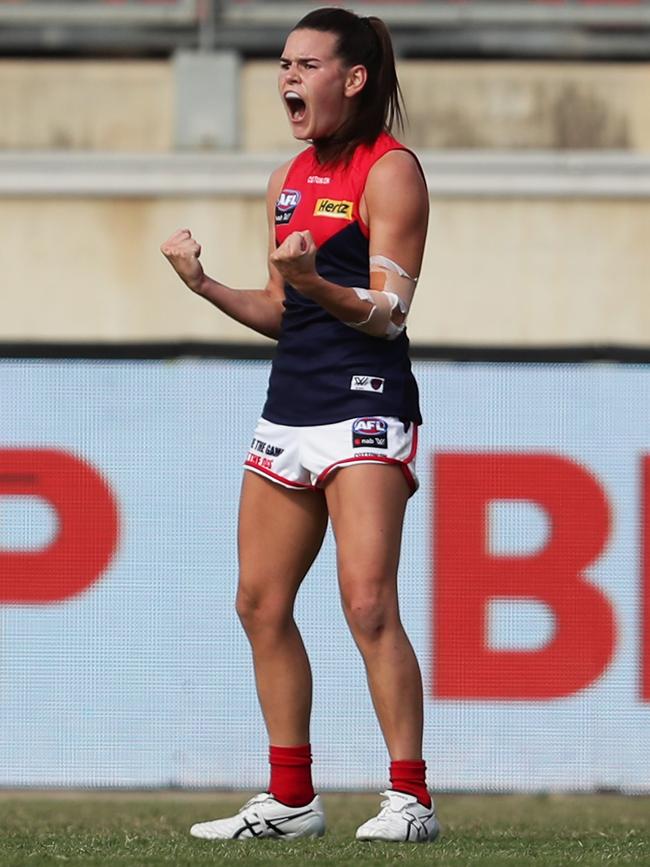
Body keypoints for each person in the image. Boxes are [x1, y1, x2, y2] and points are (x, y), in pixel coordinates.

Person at [161, 6, 438, 844]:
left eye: (306, 64)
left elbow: (388, 313)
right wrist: (204, 284)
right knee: (258, 601)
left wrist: (315, 282)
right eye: (283, 63)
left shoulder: (391, 171)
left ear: (352, 79)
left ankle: (410, 799)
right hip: (292, 408)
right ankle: (291, 799)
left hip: (365, 402)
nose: (288, 77)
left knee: (367, 602)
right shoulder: (288, 178)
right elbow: (282, 309)